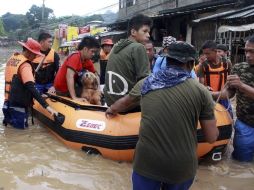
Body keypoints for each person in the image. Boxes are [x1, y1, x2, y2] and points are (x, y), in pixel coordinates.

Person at [131, 41, 219, 190]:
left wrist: (111, 109)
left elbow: (125, 102)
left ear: (166, 59)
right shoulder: (201, 91)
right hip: (181, 167)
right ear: (191, 64)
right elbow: (211, 138)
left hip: (146, 163)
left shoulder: (145, 83)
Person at [2, 38, 58, 129]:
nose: (36, 57)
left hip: (7, 102)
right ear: (29, 52)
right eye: (35, 54)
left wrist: (39, 94)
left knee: (10, 130)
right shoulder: (25, 65)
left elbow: (18, 83)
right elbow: (31, 87)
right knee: (20, 134)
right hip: (18, 106)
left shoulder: (12, 58)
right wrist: (48, 107)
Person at [103, 14, 151, 107]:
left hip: (110, 101)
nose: (148, 35)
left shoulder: (117, 46)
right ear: (133, 32)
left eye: (149, 32)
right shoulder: (138, 47)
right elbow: (145, 81)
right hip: (127, 106)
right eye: (145, 31)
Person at [224, 36, 254, 162]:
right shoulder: (238, 68)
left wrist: (241, 85)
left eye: (252, 51)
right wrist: (208, 94)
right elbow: (229, 94)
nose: (247, 55)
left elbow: (240, 87)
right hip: (244, 124)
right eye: (246, 51)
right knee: (241, 162)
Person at [54, 36, 100, 102]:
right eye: (92, 51)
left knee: (92, 91)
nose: (93, 54)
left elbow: (96, 75)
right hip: (62, 89)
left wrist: (98, 90)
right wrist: (74, 97)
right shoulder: (75, 56)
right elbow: (69, 76)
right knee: (88, 94)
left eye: (94, 52)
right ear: (85, 49)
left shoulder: (87, 60)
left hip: (71, 86)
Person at [197, 40, 232, 116]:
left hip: (224, 98)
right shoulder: (202, 66)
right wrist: (205, 88)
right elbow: (201, 86)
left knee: (228, 118)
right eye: (204, 53)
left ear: (215, 51)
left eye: (208, 53)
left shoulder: (227, 63)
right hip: (210, 98)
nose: (205, 56)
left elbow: (230, 80)